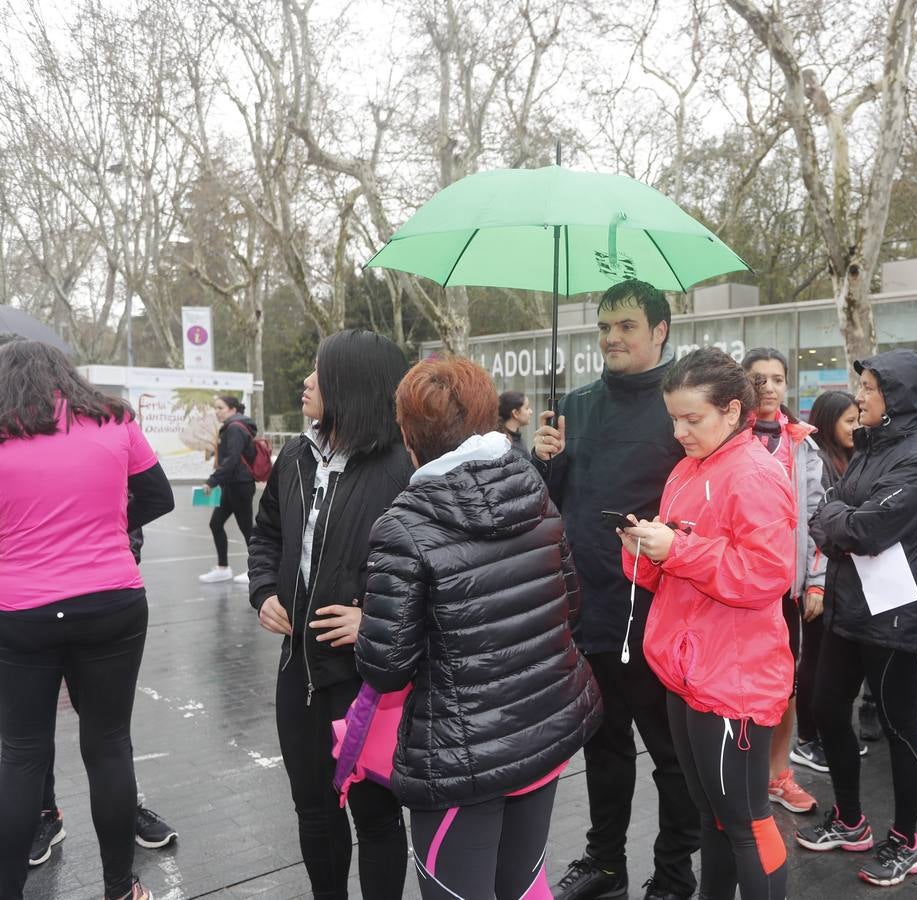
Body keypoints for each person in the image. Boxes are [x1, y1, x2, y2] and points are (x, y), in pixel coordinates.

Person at [356, 356, 602, 900]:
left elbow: (385, 664)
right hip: (543, 727)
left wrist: (371, 624)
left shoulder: (403, 526)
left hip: (459, 752)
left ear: (407, 434)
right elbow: (570, 605)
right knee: (521, 885)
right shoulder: (533, 490)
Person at [0, 341, 175, 900]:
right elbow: (158, 495)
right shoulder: (114, 419)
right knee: (109, 745)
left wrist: (5, 554)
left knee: (21, 756)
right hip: (110, 600)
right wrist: (109, 526)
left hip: (21, 610)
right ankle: (120, 888)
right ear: (65, 375)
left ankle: (6, 895)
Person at [532, 279, 700, 900]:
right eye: (604, 328)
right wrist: (542, 460)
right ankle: (605, 862)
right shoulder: (573, 406)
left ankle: (676, 871)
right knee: (603, 746)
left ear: (659, 330)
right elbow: (549, 505)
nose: (611, 339)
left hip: (658, 612)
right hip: (586, 608)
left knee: (672, 753)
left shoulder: (681, 406)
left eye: (626, 326)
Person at [619, 347, 796, 900]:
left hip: (735, 677)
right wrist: (645, 550)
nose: (679, 431)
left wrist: (678, 549)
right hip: (689, 670)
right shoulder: (688, 469)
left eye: (692, 419)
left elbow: (767, 575)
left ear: (733, 410)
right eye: (674, 418)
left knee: (745, 820)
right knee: (712, 816)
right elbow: (669, 570)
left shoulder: (756, 474)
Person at [248, 329, 413, 899]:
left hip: (368, 679)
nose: (307, 381)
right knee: (313, 809)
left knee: (376, 815)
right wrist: (263, 587)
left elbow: (435, 573)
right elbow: (266, 531)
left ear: (354, 385)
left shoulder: (403, 468)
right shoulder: (295, 454)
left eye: (320, 372)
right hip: (299, 671)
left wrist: (375, 620)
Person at [797, 350, 917, 889]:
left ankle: (906, 841)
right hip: (845, 605)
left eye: (870, 388)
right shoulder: (867, 448)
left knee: (900, 726)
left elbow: (863, 529)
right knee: (826, 709)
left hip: (891, 616)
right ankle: (851, 819)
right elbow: (824, 515)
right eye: (860, 386)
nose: (859, 396)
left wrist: (841, 522)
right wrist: (842, 521)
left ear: (898, 398)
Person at [741, 348, 825, 816]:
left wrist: (815, 582)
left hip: (786, 593)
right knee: (738, 687)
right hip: (736, 589)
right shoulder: (728, 442)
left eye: (777, 379)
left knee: (785, 687)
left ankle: (778, 775)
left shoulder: (802, 445)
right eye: (758, 379)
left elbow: (816, 518)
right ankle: (742, 778)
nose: (769, 388)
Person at [790, 391, 862, 772]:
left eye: (859, 419)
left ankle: (827, 734)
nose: (856, 427)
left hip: (841, 574)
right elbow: (816, 520)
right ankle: (807, 738)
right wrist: (815, 582)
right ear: (829, 418)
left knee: (832, 660)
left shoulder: (853, 457)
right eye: (849, 420)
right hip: (822, 574)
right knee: (814, 659)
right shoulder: (816, 458)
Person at [199, 395, 259, 585]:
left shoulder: (234, 428)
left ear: (233, 410)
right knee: (216, 523)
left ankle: (257, 571)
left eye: (220, 408)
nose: (217, 411)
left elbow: (232, 460)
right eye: (215, 408)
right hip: (232, 484)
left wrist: (212, 481)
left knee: (247, 529)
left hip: (240, 485)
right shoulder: (232, 427)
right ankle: (223, 568)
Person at [498, 389, 534, 459]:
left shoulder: (517, 440)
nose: (531, 412)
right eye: (527, 408)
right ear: (515, 413)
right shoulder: (506, 445)